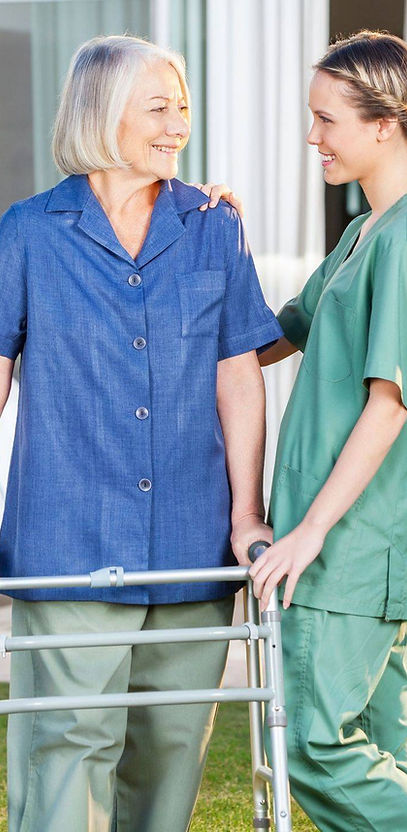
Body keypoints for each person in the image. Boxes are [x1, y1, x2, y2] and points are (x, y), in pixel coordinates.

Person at [0, 35, 281, 832]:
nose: (177, 126)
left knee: (170, 745)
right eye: (157, 108)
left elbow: (237, 376)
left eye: (182, 107)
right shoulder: (27, 232)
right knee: (69, 741)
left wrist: (244, 514)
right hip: (67, 537)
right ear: (99, 114)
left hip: (192, 537)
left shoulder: (213, 226)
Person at [206, 27, 407, 832]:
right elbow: (265, 340)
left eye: (328, 120)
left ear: (386, 122)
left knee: (316, 752)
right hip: (354, 549)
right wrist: (224, 240)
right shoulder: (361, 233)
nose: (311, 137)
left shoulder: (401, 241)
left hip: (346, 546)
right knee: (386, 742)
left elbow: (389, 403)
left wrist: (308, 533)